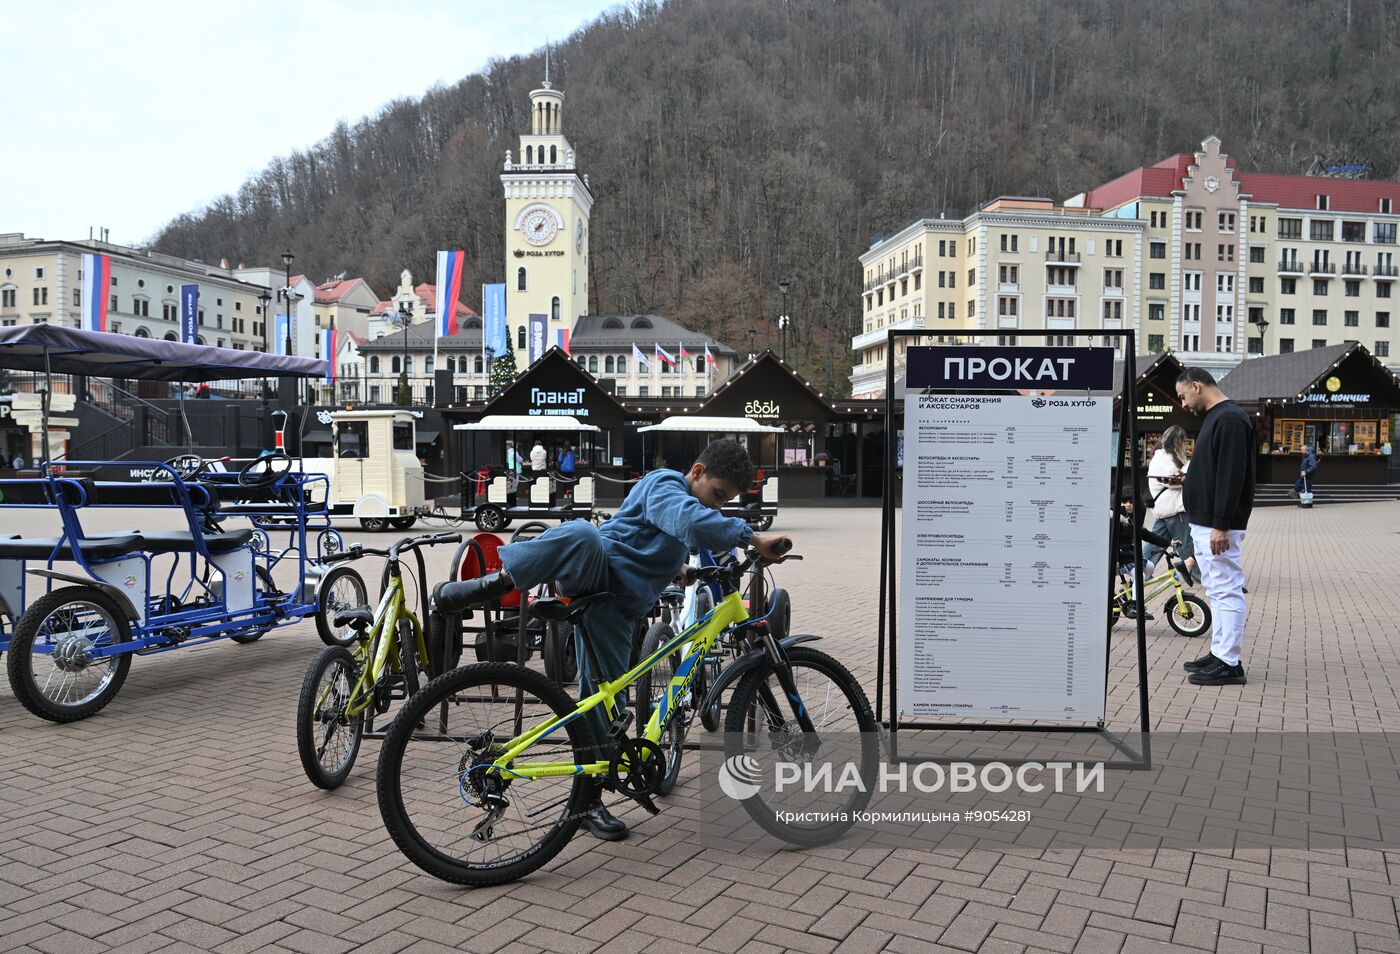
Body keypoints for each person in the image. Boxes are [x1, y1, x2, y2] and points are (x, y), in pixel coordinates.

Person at [432, 439, 789, 841]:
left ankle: (589, 798)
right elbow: (685, 521)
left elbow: (649, 539)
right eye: (717, 496)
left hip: (619, 607)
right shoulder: (665, 484)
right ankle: (496, 582)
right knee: (584, 533)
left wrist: (679, 572)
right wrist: (752, 537)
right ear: (697, 472)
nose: (716, 507)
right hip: (594, 574)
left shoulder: (684, 504)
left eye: (725, 503)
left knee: (607, 707)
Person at [1175, 367, 1255, 687]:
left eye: (1183, 396)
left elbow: (1231, 474)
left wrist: (1221, 524)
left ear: (1196, 386)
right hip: (1207, 521)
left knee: (1225, 589)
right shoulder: (1218, 416)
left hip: (1216, 524)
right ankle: (1220, 652)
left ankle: (1229, 661)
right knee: (1217, 590)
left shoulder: (1230, 419)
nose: (1183, 403)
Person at [1143, 425, 1196, 583]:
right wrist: (1188, 472)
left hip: (1165, 510)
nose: (1184, 444)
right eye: (1182, 441)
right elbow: (1172, 481)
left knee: (1155, 544)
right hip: (1173, 510)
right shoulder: (1164, 458)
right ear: (1176, 441)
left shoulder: (1162, 456)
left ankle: (1139, 569)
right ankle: (1204, 577)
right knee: (1187, 546)